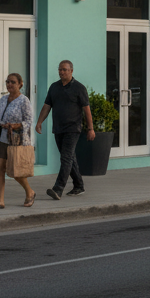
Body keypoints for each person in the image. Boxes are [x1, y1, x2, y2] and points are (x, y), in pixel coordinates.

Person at [35, 60, 94, 200]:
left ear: (71, 71)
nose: (61, 72)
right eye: (60, 69)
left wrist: (90, 129)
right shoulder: (54, 87)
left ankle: (58, 188)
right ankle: (79, 185)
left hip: (73, 128)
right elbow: (47, 106)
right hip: (58, 128)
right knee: (69, 157)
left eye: (64, 70)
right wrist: (39, 122)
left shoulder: (79, 88)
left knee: (66, 157)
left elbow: (86, 110)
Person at [0, 72, 35, 210]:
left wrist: (15, 126)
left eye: (13, 82)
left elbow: (28, 121)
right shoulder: (3, 99)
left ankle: (30, 192)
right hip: (1, 138)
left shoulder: (24, 100)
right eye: (7, 82)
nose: (9, 84)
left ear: (20, 84)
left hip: (16, 140)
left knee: (16, 170)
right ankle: (0, 201)